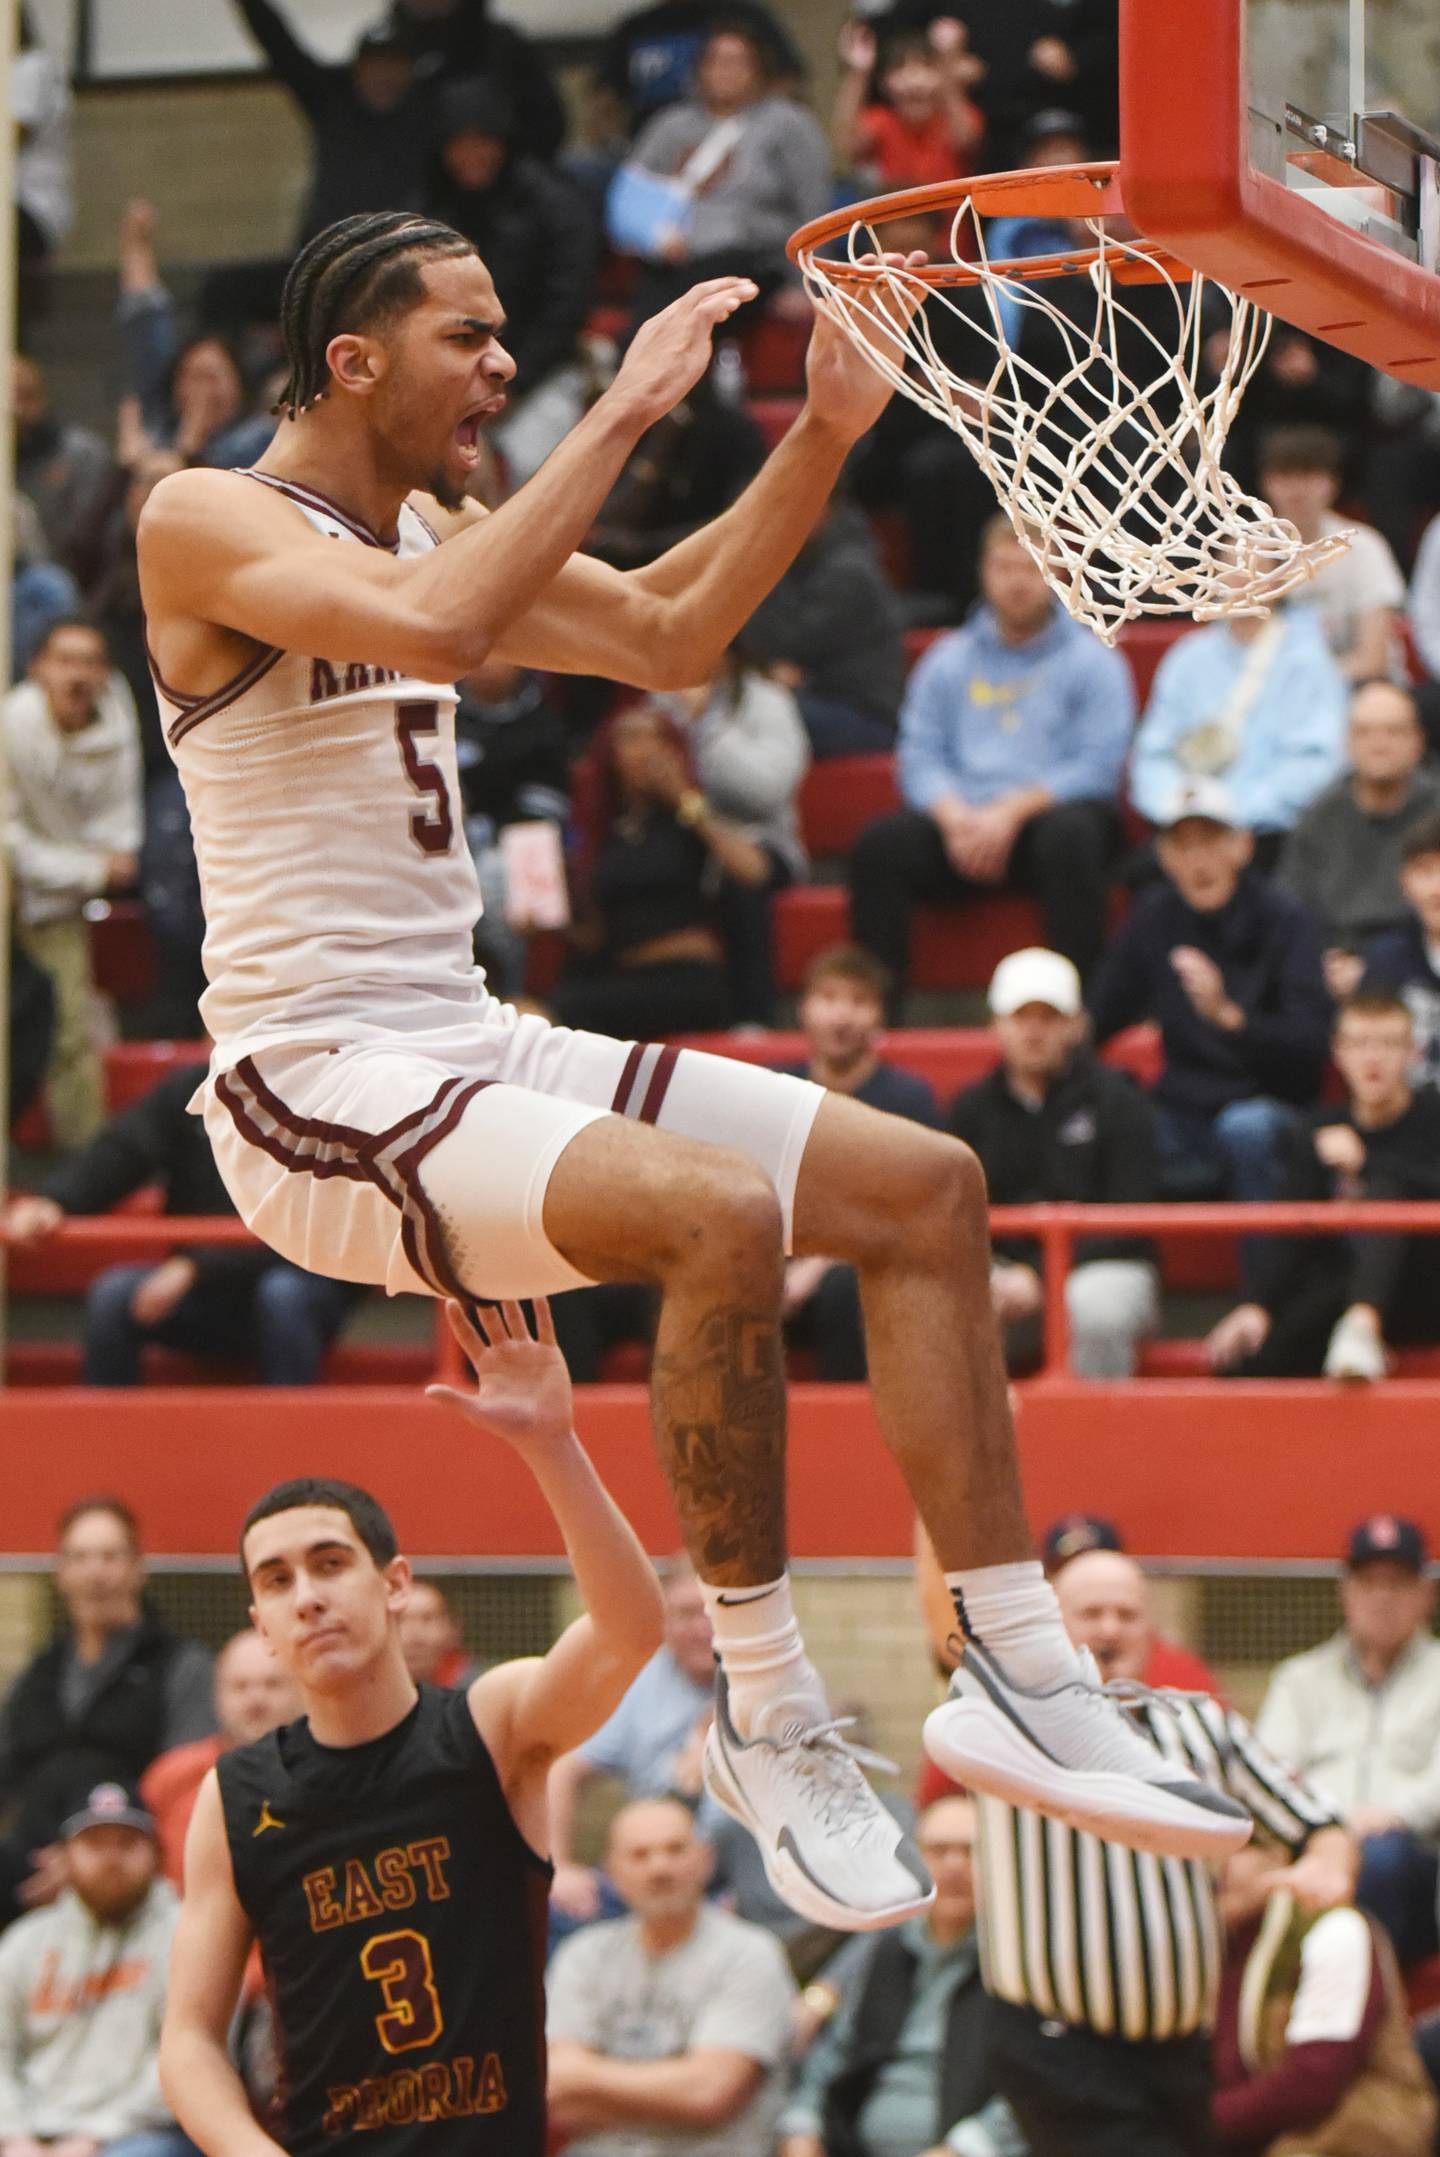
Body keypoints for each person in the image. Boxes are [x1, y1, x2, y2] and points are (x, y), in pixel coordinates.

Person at [137, 205, 1251, 1926]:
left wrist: (820, 433)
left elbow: (667, 631)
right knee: (716, 1213)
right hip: (309, 1085)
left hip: (464, 1041)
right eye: (472, 335)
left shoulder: (436, 518)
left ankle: (1033, 1674)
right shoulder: (202, 518)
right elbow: (435, 629)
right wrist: (630, 404)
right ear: (353, 361)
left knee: (924, 1188)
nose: (505, 362)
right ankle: (767, 1704)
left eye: (512, 336)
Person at [156, 1300, 664, 2154]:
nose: (307, 1594)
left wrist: (554, 1446)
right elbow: (187, 2041)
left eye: (328, 1562)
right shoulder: (234, 1796)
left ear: (394, 1584)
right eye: (276, 1581)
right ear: (261, 1620)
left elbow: (629, 1631)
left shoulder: (489, 1724)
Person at [974, 1550, 1354, 2157]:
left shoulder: (1202, 1725)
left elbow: (1318, 1820)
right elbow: (945, 1620)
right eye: (1090, 1613)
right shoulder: (1007, 1719)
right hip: (1057, 2047)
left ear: (1152, 1629)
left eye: (1126, 1613)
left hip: (1181, 2053)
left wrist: (1326, 1865)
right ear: (1054, 1628)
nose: (1108, 1629)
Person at [850, 515, 1135, 1012]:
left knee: (1074, 837)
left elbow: (1097, 766)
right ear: (984, 572)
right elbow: (918, 757)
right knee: (878, 848)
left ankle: (1080, 1014)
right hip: (963, 824)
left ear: (1058, 574)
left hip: (1047, 824)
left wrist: (1011, 813)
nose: (1017, 581)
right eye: (1005, 567)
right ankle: (880, 1014)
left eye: (1031, 567)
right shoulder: (946, 660)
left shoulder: (1094, 662)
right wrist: (955, 816)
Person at [1, 1056, 363, 1387]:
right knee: (113, 1296)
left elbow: (310, 1223)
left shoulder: (322, 1102)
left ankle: (293, 1442)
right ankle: (108, 1447)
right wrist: (54, 1201)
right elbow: (124, 1149)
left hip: (296, 1287)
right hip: (205, 1295)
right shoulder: (189, 1090)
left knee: (283, 1294)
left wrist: (197, 1267)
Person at [1088, 780, 1331, 1233]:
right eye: (1182, 846)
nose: (1198, 861)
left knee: (1248, 1129)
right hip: (1183, 1110)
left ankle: (1265, 1296)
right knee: (1107, 1119)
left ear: (1241, 847)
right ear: (1164, 858)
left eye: (1211, 842)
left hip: (1271, 1103)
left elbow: (1311, 1043)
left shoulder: (1287, 917)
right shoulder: (1154, 916)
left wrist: (1230, 1018)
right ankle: (1118, 1266)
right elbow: (1101, 1013)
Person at [1204, 991, 1440, 1382]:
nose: (1373, 1057)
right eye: (1360, 1043)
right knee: (1247, 1356)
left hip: (1424, 1286)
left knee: (1385, 1191)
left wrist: (1366, 1165)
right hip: (1344, 1283)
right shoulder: (1317, 1129)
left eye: (1387, 1043)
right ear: (1338, 1052)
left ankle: (1362, 1327)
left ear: (1413, 1053)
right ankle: (1355, 1330)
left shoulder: (1432, 1118)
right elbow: (1289, 1224)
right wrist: (1256, 1304)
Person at [950, 948, 1161, 1380]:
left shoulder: (1120, 1101)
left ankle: (1095, 1442)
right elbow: (951, 1215)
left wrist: (1043, 1274)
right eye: (1021, 1017)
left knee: (1095, 1307)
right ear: (996, 1026)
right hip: (1001, 1271)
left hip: (1100, 1266)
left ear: (1077, 1025)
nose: (1034, 1032)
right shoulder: (970, 1110)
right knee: (938, 1305)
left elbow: (1130, 1220)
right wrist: (995, 1275)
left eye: (1049, 1018)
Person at [0, 1498, 215, 1921]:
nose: (95, 1572)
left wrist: (91, 1857)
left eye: (110, 1556)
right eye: (79, 1557)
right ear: (61, 1573)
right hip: (25, 1879)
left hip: (137, 1881)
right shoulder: (38, 1675)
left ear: (139, 1568)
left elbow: (190, 1794)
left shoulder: (181, 1668)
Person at [547, 1797, 796, 2157]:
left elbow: (709, 2094)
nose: (660, 1868)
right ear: (611, 1873)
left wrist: (585, 2076)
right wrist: (677, 2086)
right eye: (640, 1855)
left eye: (675, 1850)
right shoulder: (583, 1955)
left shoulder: (750, 1954)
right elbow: (561, 2100)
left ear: (706, 1860)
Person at [779, 1796, 1022, 2157]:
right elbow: (834, 2055)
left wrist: (963, 2150)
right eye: (938, 1851)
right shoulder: (886, 1947)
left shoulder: (1020, 1963)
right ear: (914, 1859)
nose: (954, 1866)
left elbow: (1042, 2082)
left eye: (971, 1850)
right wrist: (802, 2128)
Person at [1257, 1514, 1440, 1971]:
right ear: (1345, 1592)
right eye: (1369, 1583)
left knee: (1382, 1859)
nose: (1382, 1597)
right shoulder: (1300, 1679)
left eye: (1397, 1583)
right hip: (1316, 1848)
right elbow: (1268, 1773)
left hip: (1413, 1862)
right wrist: (1330, 1829)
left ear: (1426, 1594)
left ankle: (1353, 2008)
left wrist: (1391, 1816)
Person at [550, 701, 770, 1038]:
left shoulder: (690, 821)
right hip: (622, 972)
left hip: (687, 977)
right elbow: (594, 935)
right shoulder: (603, 834)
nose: (645, 749)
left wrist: (685, 798)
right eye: (631, 738)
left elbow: (753, 870)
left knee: (567, 1009)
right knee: (560, 1006)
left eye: (656, 738)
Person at [4, 615, 142, 1149]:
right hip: (26, 893)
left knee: (72, 1037)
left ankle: (85, 1165)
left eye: (89, 662)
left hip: (53, 906)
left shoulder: (117, 728)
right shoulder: (12, 722)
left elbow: (122, 853)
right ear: (36, 668)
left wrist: (63, 869)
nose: (77, 675)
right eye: (65, 660)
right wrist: (84, 868)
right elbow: (8, 838)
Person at [1213, 1830, 1436, 2157]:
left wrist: (1194, 2125)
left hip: (1348, 2137)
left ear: (1280, 1855)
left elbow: (1311, 2081)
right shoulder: (1213, 1949)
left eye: (1240, 1850)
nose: (1220, 1867)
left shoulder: (1332, 1926)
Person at [0, 1782, 191, 2157]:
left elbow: (190, 2060)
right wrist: (14, 2136)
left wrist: (95, 2137)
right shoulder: (25, 1941)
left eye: (127, 1843)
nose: (111, 1858)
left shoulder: (186, 1933)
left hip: (141, 2131)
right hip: (31, 2131)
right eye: (94, 1844)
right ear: (63, 1857)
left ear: (156, 1852)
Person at [423, 81, 598, 486]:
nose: (470, 156)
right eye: (458, 144)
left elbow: (565, 310)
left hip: (544, 375)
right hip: (451, 381)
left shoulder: (556, 205)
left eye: (481, 142)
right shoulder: (432, 207)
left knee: (521, 466)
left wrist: (508, 389)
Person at [780, 946, 940, 1382]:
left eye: (858, 1001)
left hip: (872, 1267)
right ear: (803, 1010)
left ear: (880, 1016)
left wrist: (822, 1263)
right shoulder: (770, 1091)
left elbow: (911, 1211)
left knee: (846, 1289)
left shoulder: (910, 1100)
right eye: (829, 999)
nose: (842, 1017)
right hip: (778, 1257)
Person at [623, 26, 831, 327]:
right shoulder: (670, 126)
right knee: (661, 290)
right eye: (716, 61)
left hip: (753, 259)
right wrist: (655, 235)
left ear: (759, 69)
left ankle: (624, 354)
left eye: (738, 62)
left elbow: (814, 207)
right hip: (674, 257)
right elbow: (633, 194)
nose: (726, 72)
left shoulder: (788, 124)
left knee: (701, 294)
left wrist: (803, 284)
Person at [548, 1564, 716, 1925]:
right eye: (687, 1614)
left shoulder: (771, 1678)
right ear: (664, 1622)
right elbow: (562, 1768)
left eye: (715, 1612)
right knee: (552, 1912)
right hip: (654, 1862)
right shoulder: (638, 1679)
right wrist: (558, 1865)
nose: (704, 1629)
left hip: (741, 1872)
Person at [1127, 598, 1348, 869]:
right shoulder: (1188, 657)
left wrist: (1234, 811)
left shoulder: (1309, 661)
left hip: (1268, 832)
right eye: (1228, 560)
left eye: (1256, 562)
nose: (1239, 573)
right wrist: (1178, 806)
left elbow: (1317, 762)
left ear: (1279, 576)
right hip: (1185, 824)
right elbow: (1153, 752)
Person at [658, 650, 811, 1025]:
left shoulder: (768, 700)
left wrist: (703, 726)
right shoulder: (658, 698)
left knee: (739, 877)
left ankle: (752, 1022)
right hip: (675, 836)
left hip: (759, 838)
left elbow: (767, 790)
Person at [1278, 677, 1440, 1001]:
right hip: (1333, 967)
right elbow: (1291, 909)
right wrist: (1323, 962)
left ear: (1418, 741)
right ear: (1347, 743)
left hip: (1420, 969)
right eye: (1364, 732)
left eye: (1393, 731)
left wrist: (1377, 967)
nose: (1379, 744)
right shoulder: (1318, 816)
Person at [227, 3, 432, 244]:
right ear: (357, 69)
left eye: (394, 66)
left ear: (409, 72)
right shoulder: (330, 101)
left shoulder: (427, 113)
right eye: (375, 66)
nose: (384, 76)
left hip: (408, 245)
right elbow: (279, 44)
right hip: (330, 246)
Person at [742, 498, 909, 758]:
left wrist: (757, 564)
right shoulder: (810, 557)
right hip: (825, 696)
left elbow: (783, 641)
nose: (780, 518)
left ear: (823, 506)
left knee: (748, 714)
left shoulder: (849, 570)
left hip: (865, 715)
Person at [141, 1634, 300, 1886]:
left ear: (302, 1691)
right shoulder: (170, 1776)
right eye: (240, 1686)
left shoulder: (324, 1770)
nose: (255, 1700)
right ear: (216, 1697)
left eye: (272, 1684)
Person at [1257, 425, 1408, 682]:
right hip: (1272, 691)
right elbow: (1235, 645)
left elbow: (1373, 659)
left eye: (1307, 475)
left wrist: (1309, 685)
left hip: (1356, 687)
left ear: (1333, 483)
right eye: (1285, 475)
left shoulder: (1363, 546)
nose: (1296, 489)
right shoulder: (1246, 550)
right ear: (1266, 482)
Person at [592, 0, 804, 139]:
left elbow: (789, 82)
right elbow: (603, 100)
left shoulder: (746, 16)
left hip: (741, 146)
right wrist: (613, 144)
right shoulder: (635, 28)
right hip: (652, 150)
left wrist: (757, 130)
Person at [831, 18, 984, 191]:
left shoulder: (954, 117)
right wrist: (858, 73)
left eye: (925, 67)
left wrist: (947, 64)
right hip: (899, 217)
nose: (914, 82)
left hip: (954, 217)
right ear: (884, 83)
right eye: (901, 69)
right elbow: (847, 145)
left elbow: (965, 138)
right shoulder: (883, 120)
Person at [13, 353, 116, 580]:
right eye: (8, 398)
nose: (16, 410)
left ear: (43, 398)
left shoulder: (82, 453)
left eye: (25, 397)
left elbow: (87, 542)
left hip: (65, 583)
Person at [1360, 809, 1440, 1085]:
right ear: (1405, 881)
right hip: (1405, 1118)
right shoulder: (1385, 960)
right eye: (1425, 870)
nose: (1437, 888)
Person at [396, 1579, 480, 1691]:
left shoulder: (480, 1690)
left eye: (428, 1619)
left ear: (453, 1629)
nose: (415, 1638)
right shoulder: (368, 1695)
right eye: (400, 1620)